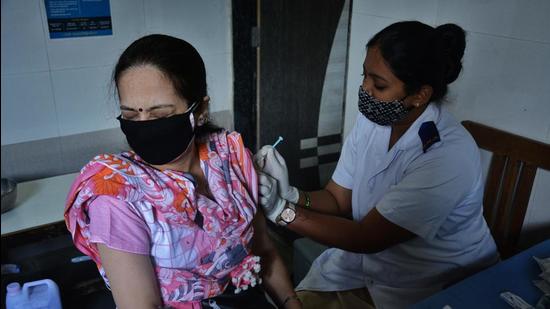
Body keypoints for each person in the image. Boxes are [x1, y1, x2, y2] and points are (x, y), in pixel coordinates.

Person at [256, 21, 499, 309]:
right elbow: (338, 199)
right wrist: (293, 194)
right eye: (365, 75)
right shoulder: (376, 122)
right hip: (363, 271)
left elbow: (368, 238)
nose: (365, 88)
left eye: (379, 84)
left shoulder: (448, 155)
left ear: (420, 95)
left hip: (432, 285)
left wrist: (281, 211)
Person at [64, 34, 301, 309]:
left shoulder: (229, 159)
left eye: (160, 114)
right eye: (130, 116)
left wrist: (290, 301)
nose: (143, 125)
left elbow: (263, 249)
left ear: (200, 110)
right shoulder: (116, 197)